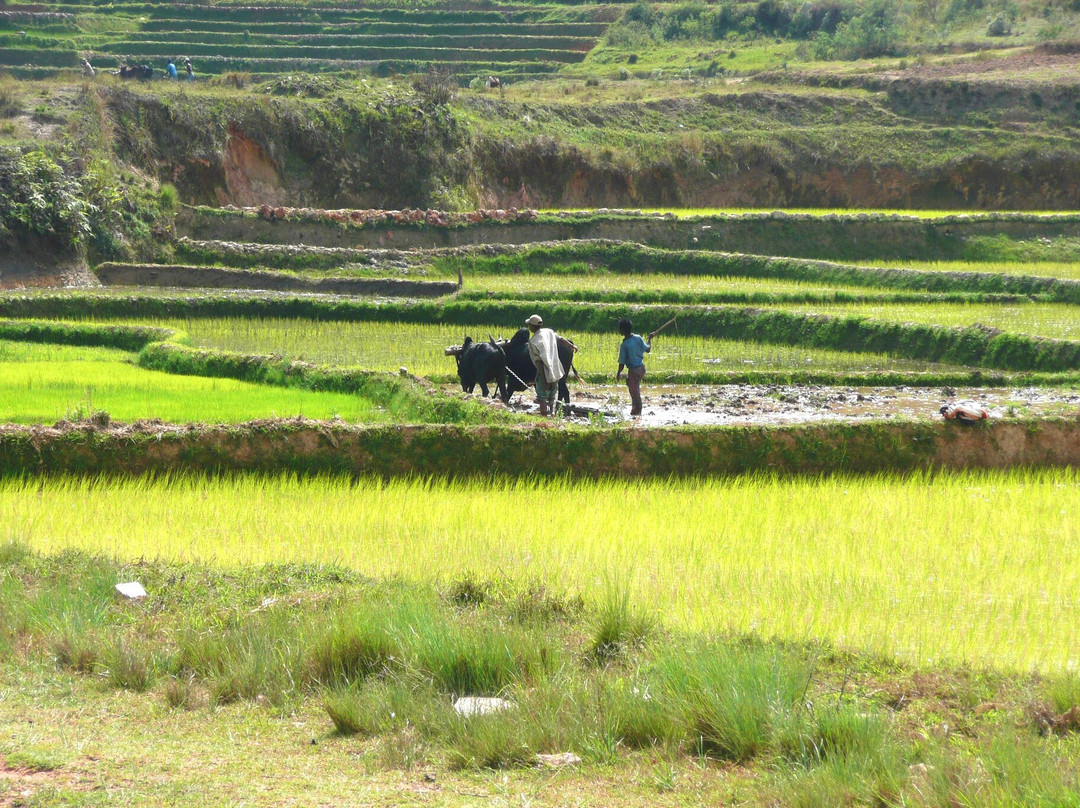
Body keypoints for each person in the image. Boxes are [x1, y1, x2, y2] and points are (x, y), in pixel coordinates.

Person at [525, 313, 564, 417]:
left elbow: (539, 362)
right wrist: (572, 346)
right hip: (556, 370)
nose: (529, 327)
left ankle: (544, 419)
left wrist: (543, 379)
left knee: (542, 398)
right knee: (552, 397)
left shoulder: (533, 342)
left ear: (533, 327)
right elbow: (560, 338)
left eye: (529, 325)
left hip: (544, 373)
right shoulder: (549, 332)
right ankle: (552, 415)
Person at [615, 317, 650, 417]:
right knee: (632, 388)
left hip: (634, 371)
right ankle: (634, 409)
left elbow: (622, 362)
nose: (619, 330)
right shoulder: (638, 338)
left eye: (620, 329)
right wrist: (649, 339)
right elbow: (647, 349)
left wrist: (618, 373)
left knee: (635, 392)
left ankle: (638, 413)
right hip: (641, 369)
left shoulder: (625, 345)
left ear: (623, 330)